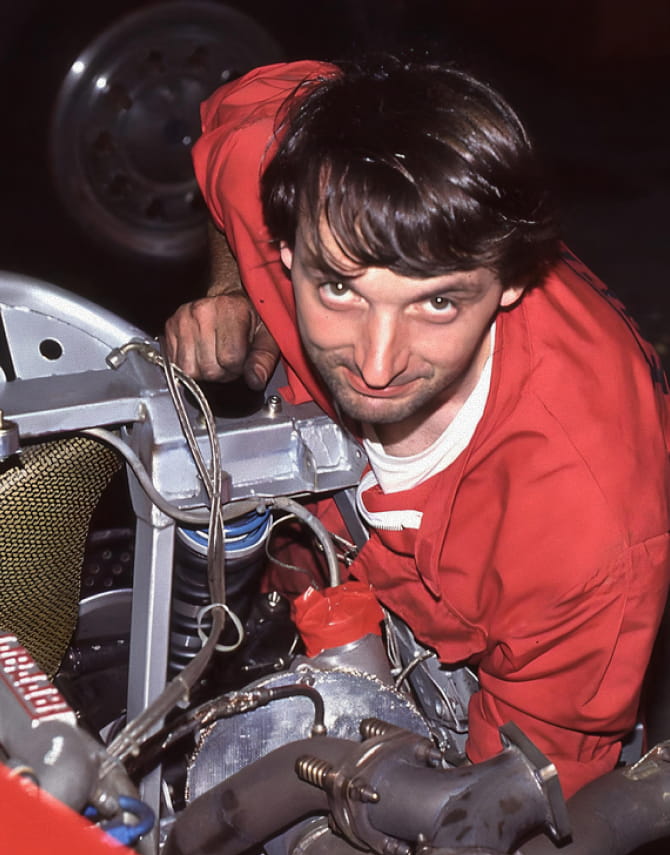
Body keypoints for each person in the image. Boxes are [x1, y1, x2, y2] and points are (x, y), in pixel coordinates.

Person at [165, 58, 670, 798]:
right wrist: (233, 288)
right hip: (326, 559)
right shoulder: (299, 181)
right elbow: (236, 126)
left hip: (501, 657)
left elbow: (515, 812)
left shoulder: (582, 538)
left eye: (436, 305)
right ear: (285, 244)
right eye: (339, 288)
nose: (375, 363)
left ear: (515, 280)